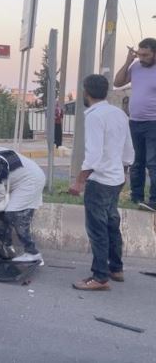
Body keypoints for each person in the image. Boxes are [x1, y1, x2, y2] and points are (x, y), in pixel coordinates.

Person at [69, 75, 133, 291]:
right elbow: (128, 149)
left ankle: (100, 277)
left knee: (98, 229)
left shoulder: (95, 116)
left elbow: (93, 154)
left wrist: (79, 181)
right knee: (112, 224)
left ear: (86, 91)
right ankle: (116, 268)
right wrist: (122, 172)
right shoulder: (119, 114)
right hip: (116, 179)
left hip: (100, 181)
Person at [112, 37, 156, 208]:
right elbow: (117, 82)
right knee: (136, 161)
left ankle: (154, 200)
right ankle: (136, 198)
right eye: (139, 54)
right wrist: (128, 61)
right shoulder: (136, 66)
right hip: (135, 122)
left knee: (153, 162)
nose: (142, 58)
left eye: (146, 55)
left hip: (154, 123)